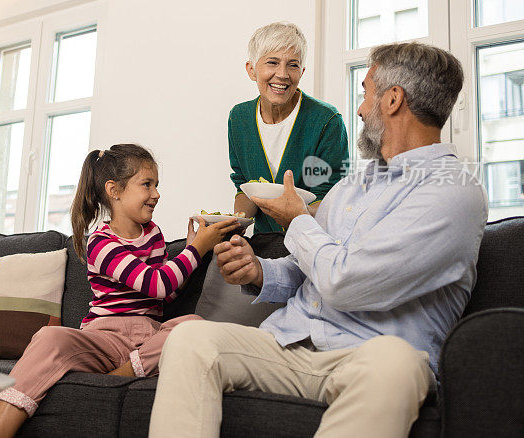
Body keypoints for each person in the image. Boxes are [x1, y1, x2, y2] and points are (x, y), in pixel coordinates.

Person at [149, 42, 488, 438]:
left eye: (366, 93)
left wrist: (297, 220)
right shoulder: (356, 183)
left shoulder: (452, 193)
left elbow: (345, 282)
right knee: (191, 340)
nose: (360, 110)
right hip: (291, 344)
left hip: (371, 355)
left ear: (393, 99)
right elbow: (306, 267)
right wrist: (258, 271)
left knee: (397, 363)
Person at [0, 143, 240, 438]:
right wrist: (196, 249)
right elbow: (156, 283)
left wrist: (193, 251)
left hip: (148, 337)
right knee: (50, 337)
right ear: (114, 190)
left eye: (157, 185)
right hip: (104, 338)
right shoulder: (101, 243)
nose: (156, 194)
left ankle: (113, 379)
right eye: (146, 184)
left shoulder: (154, 235)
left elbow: (165, 295)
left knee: (193, 327)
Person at [230, 22, 349, 233]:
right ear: (251, 70)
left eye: (292, 65)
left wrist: (293, 218)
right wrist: (233, 226)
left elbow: (328, 198)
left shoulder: (327, 121)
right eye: (272, 62)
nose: (283, 74)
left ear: (302, 72)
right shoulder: (239, 118)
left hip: (311, 242)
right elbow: (243, 185)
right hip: (262, 244)